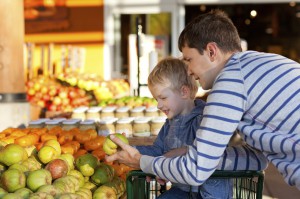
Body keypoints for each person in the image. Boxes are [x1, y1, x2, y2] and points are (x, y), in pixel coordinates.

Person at [106, 9, 300, 190]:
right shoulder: (257, 64)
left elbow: (195, 171)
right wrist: (189, 153)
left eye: (189, 59)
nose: (188, 70)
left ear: (211, 51)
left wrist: (141, 162)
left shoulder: (231, 79)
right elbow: (257, 159)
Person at [135, 57, 232, 199]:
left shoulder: (205, 120)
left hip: (210, 192)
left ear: (184, 92)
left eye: (163, 98)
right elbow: (158, 150)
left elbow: (211, 152)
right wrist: (133, 151)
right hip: (183, 190)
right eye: (157, 100)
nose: (159, 105)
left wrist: (179, 152)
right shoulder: (169, 124)